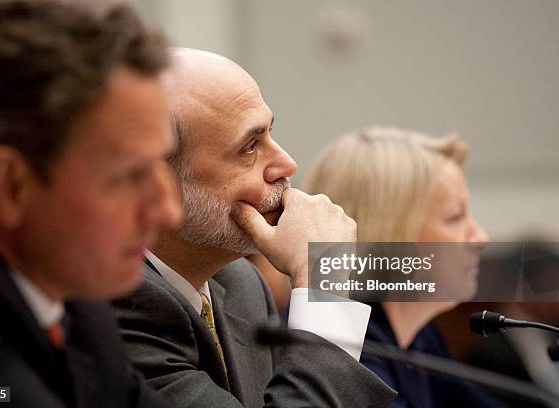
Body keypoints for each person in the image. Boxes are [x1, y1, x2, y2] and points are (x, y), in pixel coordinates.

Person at [113, 49, 396, 408]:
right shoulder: (116, 306)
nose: (286, 164)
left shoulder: (242, 283)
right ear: (159, 184)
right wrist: (326, 283)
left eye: (270, 134)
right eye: (249, 147)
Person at [0, 1, 181, 406]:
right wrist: (326, 273)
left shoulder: (76, 299)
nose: (167, 211)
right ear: (9, 186)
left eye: (163, 163)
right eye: (129, 175)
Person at [303, 127, 504, 407]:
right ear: (389, 234)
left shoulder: (419, 335)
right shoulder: (345, 350)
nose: (480, 237)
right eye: (455, 217)